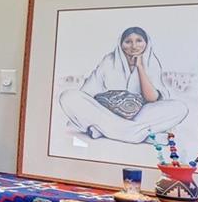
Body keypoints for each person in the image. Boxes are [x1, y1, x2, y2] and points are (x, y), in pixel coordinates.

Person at [58, 26, 189, 143]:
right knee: (68, 96)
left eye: (139, 41)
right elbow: (88, 92)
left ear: (146, 43)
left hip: (140, 114)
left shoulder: (151, 61)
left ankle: (106, 131)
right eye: (128, 41)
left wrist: (140, 67)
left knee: (179, 108)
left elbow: (152, 98)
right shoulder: (109, 60)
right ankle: (137, 134)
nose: (134, 46)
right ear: (121, 44)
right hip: (107, 114)